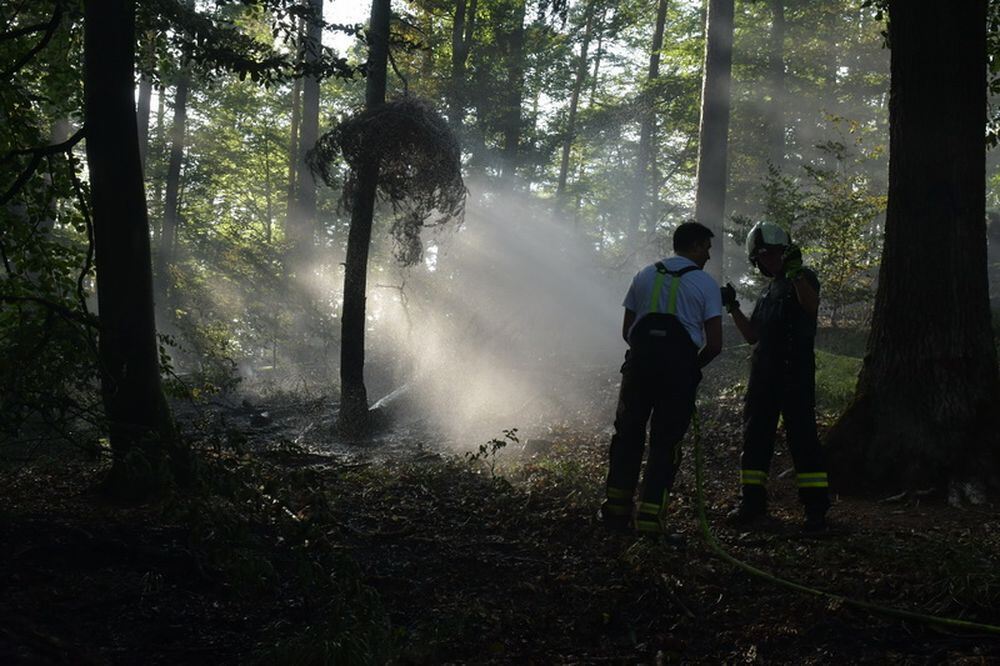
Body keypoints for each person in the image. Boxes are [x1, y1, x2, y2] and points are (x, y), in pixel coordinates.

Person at [600, 221, 723, 536]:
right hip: (677, 374)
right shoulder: (706, 284)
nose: (708, 255)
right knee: (665, 444)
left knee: (628, 437)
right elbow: (715, 344)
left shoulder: (643, 275)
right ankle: (651, 520)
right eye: (707, 248)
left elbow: (628, 330)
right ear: (695, 245)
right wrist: (691, 367)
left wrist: (648, 354)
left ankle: (615, 513)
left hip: (638, 369)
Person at [721, 221, 830, 532]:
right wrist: (733, 308)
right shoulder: (769, 291)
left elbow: (811, 307)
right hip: (763, 375)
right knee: (755, 439)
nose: (771, 260)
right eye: (764, 256)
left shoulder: (804, 278)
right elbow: (753, 336)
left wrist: (796, 274)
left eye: (776, 253)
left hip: (794, 372)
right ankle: (751, 503)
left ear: (787, 252)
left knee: (803, 438)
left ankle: (815, 509)